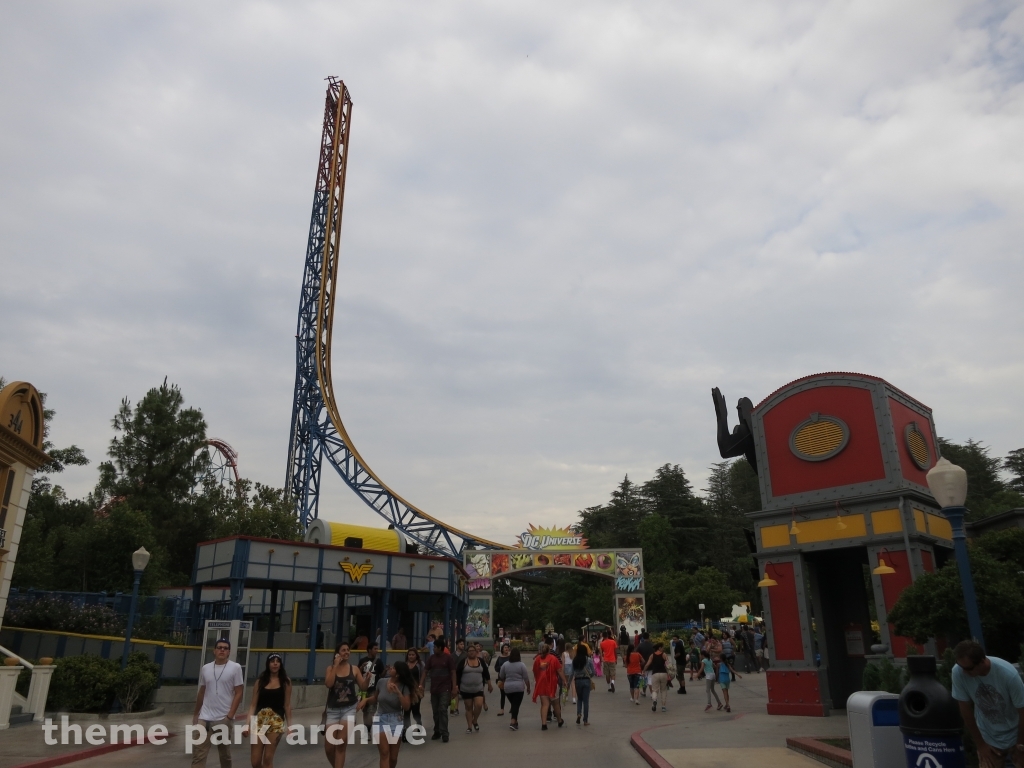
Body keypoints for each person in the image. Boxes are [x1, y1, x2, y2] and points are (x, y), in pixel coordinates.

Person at [951, 640, 1024, 768]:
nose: (964, 672)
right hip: (989, 735)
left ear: (982, 661)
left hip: (1017, 731)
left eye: (968, 668)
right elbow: (965, 709)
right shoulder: (958, 672)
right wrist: (981, 745)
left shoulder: (1008, 674)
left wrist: (1020, 746)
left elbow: (1022, 711)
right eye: (960, 666)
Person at [192, 638, 245, 768]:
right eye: (219, 647)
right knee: (198, 755)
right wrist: (196, 714)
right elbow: (202, 691)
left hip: (223, 718)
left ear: (229, 652)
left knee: (224, 754)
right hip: (204, 718)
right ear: (214, 651)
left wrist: (229, 716)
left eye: (225, 648)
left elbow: (239, 692)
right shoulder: (206, 668)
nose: (222, 650)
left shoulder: (235, 668)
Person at [323, 641, 368, 768]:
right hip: (333, 710)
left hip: (349, 709)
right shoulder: (330, 668)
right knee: (329, 748)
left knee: (340, 744)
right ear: (337, 653)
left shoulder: (354, 669)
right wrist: (335, 665)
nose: (347, 652)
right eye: (343, 650)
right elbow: (329, 684)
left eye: (348, 650)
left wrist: (368, 679)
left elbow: (363, 687)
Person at [243, 653, 291, 768]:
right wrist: (247, 724)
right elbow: (253, 705)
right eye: (272, 661)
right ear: (268, 664)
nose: (275, 664)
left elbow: (287, 705)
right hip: (258, 720)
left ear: (280, 664)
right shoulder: (260, 682)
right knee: (255, 761)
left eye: (277, 661)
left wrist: (290, 727)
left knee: (268, 759)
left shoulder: (285, 682)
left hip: (276, 721)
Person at [364, 661, 414, 768]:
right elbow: (375, 698)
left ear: (398, 673)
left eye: (394, 668)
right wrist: (366, 700)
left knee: (393, 757)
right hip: (380, 718)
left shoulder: (404, 687)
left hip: (396, 720)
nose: (391, 668)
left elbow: (406, 707)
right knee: (384, 753)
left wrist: (398, 693)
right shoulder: (381, 682)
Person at [425, 638, 457, 742]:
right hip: (434, 689)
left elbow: (453, 672)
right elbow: (425, 671)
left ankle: (444, 733)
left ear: (440, 648)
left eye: (435, 647)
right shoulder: (431, 658)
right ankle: (437, 730)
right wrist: (421, 684)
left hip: (445, 688)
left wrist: (454, 687)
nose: (433, 649)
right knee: (435, 712)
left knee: (443, 709)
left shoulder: (448, 658)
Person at [456, 644, 492, 734]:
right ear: (467, 653)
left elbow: (486, 673)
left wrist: (489, 684)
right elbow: (457, 674)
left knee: (479, 705)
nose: (471, 652)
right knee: (468, 707)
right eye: (469, 651)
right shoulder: (463, 662)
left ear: (476, 652)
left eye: (473, 651)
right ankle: (469, 727)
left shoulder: (480, 661)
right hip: (466, 689)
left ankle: (474, 720)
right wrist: (456, 686)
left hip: (478, 688)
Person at [532, 643, 567, 730]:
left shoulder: (537, 659)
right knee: (556, 704)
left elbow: (535, 671)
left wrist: (537, 679)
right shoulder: (553, 658)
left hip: (541, 685)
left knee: (544, 704)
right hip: (552, 684)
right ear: (549, 650)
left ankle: (544, 724)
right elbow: (559, 670)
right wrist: (564, 680)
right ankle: (559, 720)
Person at [498, 647, 531, 731]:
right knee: (516, 705)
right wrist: (528, 687)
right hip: (519, 688)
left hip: (508, 688)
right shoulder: (522, 665)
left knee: (514, 704)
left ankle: (515, 722)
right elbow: (526, 678)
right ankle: (512, 722)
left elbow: (501, 676)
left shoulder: (505, 665)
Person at [359, 643, 387, 728]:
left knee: (372, 709)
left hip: (374, 689)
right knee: (365, 709)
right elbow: (358, 674)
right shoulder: (362, 660)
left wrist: (385, 670)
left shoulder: (378, 661)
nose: (377, 651)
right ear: (369, 650)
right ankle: (366, 727)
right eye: (375, 649)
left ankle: (369, 727)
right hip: (364, 689)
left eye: (377, 649)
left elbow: (381, 675)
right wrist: (361, 667)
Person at [570, 643, 595, 725]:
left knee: (579, 699)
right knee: (586, 701)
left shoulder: (575, 660)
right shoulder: (589, 660)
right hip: (586, 680)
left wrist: (568, 683)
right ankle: (585, 720)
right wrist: (589, 676)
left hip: (577, 681)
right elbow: (593, 672)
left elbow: (572, 673)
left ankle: (579, 713)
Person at [403, 649, 425, 738]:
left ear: (416, 656)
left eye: (413, 655)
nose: (411, 656)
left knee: (415, 711)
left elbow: (423, 676)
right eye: (409, 655)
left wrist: (422, 687)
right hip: (406, 691)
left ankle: (419, 725)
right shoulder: (405, 665)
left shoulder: (420, 664)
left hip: (416, 691)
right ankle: (406, 731)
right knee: (406, 711)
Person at [644, 643, 670, 712]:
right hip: (663, 673)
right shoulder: (664, 655)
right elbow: (668, 665)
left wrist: (643, 671)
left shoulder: (652, 655)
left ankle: (654, 700)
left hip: (655, 674)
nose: (663, 648)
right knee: (663, 690)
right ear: (659, 648)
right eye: (662, 647)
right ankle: (663, 706)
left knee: (655, 690)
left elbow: (647, 664)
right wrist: (670, 673)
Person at [494, 644, 511, 715]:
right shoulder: (500, 658)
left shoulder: (511, 657)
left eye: (507, 647)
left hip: (509, 677)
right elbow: (496, 667)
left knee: (510, 693)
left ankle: (513, 706)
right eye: (505, 647)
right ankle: (502, 709)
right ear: (502, 649)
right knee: (502, 693)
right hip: (501, 677)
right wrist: (500, 668)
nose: (506, 649)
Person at [637, 632, 654, 698]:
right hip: (651, 664)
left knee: (644, 678)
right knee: (650, 679)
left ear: (643, 637)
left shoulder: (640, 645)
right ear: (649, 637)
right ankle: (652, 693)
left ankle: (644, 692)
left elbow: (637, 654)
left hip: (643, 665)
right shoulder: (652, 645)